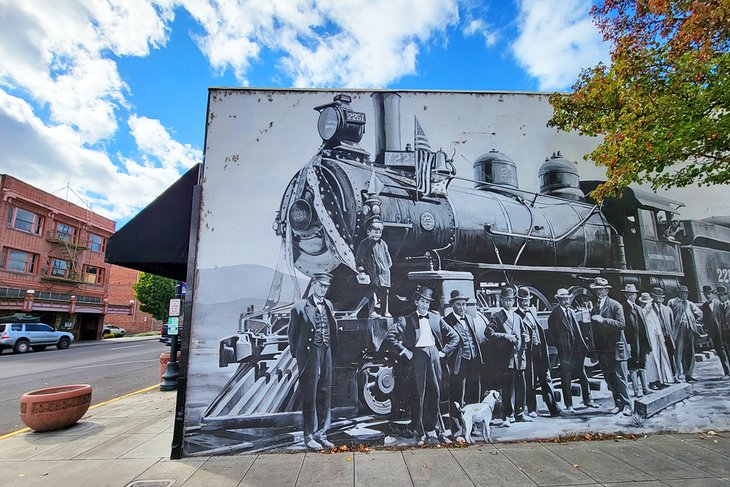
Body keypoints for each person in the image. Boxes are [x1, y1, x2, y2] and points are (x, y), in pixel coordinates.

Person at [384, 285, 459, 445]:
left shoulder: (436, 318)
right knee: (419, 394)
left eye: (427, 302)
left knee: (435, 393)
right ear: (416, 302)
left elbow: (454, 337)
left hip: (434, 357)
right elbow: (390, 337)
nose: (425, 305)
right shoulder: (406, 319)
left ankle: (433, 428)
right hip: (417, 358)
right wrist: (405, 351)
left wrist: (443, 352)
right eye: (422, 301)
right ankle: (419, 430)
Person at [288, 272, 339, 450]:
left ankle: (322, 433)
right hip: (310, 353)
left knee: (325, 391)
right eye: (321, 285)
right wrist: (299, 357)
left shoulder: (329, 305)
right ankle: (309, 435)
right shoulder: (300, 307)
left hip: (326, 350)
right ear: (313, 284)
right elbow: (292, 335)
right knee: (309, 393)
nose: (324, 289)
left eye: (326, 287)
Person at [486, 286, 532, 424]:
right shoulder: (497, 316)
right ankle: (507, 416)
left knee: (521, 386)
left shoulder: (517, 317)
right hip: (505, 359)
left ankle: (520, 413)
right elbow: (488, 333)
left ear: (514, 301)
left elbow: (524, 332)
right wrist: (505, 336)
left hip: (518, 357)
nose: (508, 303)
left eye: (511, 300)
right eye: (506, 300)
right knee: (507, 388)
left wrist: (526, 337)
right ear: (501, 300)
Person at [547, 288, 597, 414]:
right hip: (565, 351)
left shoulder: (571, 311)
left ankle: (588, 400)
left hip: (577, 349)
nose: (566, 302)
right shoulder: (554, 315)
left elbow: (577, 330)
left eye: (567, 299)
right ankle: (569, 405)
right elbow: (552, 335)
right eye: (563, 300)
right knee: (566, 377)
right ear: (558, 300)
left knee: (582, 374)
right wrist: (561, 347)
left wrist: (583, 346)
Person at [589, 277, 632, 416]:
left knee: (620, 377)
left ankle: (627, 405)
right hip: (603, 347)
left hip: (616, 347)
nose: (598, 292)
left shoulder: (615, 305)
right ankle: (618, 403)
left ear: (607, 290)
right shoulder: (595, 306)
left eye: (601, 289)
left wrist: (604, 320)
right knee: (609, 377)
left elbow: (621, 324)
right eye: (596, 290)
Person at [444, 289, 484, 435]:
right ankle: (458, 429)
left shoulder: (469, 318)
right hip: (458, 364)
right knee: (457, 397)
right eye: (459, 304)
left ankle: (473, 427)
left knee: (474, 395)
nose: (462, 307)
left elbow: (474, 340)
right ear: (452, 305)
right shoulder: (447, 321)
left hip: (473, 362)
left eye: (464, 304)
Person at [516, 287, 560, 417]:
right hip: (529, 353)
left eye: (527, 300)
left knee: (546, 379)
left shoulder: (531, 312)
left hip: (540, 352)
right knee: (530, 382)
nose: (525, 303)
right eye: (523, 301)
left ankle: (554, 409)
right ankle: (531, 409)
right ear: (518, 301)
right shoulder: (517, 315)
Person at [355, 216, 393, 318]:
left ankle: (385, 311)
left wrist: (387, 267)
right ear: (368, 232)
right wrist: (361, 270)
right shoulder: (364, 244)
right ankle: (372, 311)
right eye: (375, 231)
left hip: (384, 273)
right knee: (373, 292)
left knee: (385, 292)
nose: (378, 234)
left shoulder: (383, 244)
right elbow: (359, 259)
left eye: (379, 232)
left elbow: (388, 257)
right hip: (372, 273)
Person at [639, 292, 675, 388]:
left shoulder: (652, 311)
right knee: (651, 361)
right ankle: (652, 381)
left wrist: (660, 336)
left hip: (657, 338)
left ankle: (660, 380)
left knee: (660, 359)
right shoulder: (643, 311)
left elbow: (656, 323)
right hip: (649, 339)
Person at [668, 285, 703, 382]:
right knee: (678, 351)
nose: (685, 295)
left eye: (686, 293)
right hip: (678, 329)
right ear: (679, 293)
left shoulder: (690, 304)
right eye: (683, 293)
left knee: (689, 351)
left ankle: (688, 374)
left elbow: (699, 313)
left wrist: (696, 323)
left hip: (689, 328)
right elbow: (669, 315)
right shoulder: (672, 302)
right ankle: (677, 374)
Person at [622, 284, 652, 397]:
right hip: (632, 342)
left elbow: (644, 327)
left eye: (633, 294)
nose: (632, 297)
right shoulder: (624, 308)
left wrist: (647, 343)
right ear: (626, 295)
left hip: (641, 340)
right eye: (629, 294)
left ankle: (645, 388)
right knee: (633, 365)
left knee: (642, 364)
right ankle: (636, 390)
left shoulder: (638, 308)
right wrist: (626, 344)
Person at [650, 287, 679, 383]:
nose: (659, 300)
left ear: (663, 299)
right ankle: (661, 378)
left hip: (667, 337)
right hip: (657, 338)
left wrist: (672, 337)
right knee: (659, 358)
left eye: (660, 298)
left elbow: (672, 324)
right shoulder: (650, 310)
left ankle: (674, 376)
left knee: (671, 357)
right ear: (653, 298)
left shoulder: (668, 310)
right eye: (656, 298)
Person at [702, 285, 730, 379]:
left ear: (712, 294)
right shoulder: (704, 306)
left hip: (724, 333)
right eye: (706, 294)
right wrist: (709, 335)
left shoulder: (719, 304)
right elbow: (705, 322)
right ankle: (727, 372)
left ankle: (728, 373)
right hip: (714, 334)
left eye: (709, 293)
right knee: (721, 354)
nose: (708, 296)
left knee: (727, 352)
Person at [713, 286, 730, 381]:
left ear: (726, 295)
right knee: (725, 354)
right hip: (722, 334)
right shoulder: (718, 306)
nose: (720, 297)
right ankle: (727, 373)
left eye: (722, 295)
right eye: (719, 296)